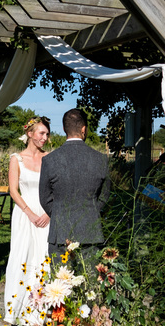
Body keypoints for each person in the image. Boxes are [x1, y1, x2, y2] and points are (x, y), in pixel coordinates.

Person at [39, 108, 111, 257]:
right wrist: (90, 212)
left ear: (64, 128)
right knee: (90, 278)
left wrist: (61, 214)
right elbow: (104, 196)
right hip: (90, 232)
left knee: (60, 279)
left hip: (60, 234)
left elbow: (45, 198)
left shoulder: (49, 160)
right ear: (84, 129)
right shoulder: (101, 160)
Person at [3, 116, 51, 325]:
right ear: (30, 134)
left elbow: (56, 189)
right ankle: (17, 312)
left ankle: (41, 313)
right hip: (25, 214)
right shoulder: (17, 159)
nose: (45, 138)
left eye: (47, 134)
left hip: (46, 214)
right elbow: (13, 190)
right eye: (42, 133)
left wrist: (48, 213)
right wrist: (29, 213)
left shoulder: (50, 158)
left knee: (44, 256)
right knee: (22, 257)